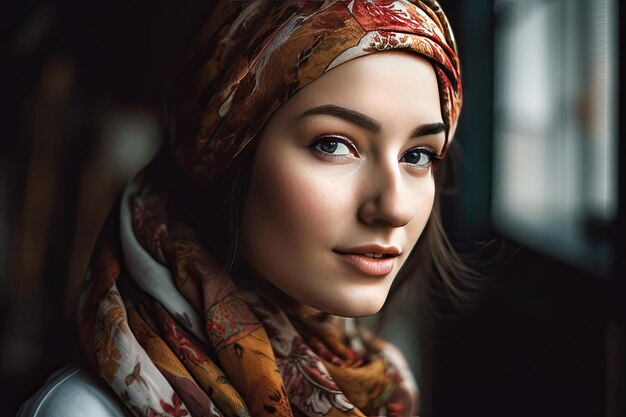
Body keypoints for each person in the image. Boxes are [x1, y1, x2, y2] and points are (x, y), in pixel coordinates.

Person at [18, 1, 472, 416]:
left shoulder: (382, 382)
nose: (394, 207)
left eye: (418, 155)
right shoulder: (81, 410)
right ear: (227, 152)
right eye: (333, 145)